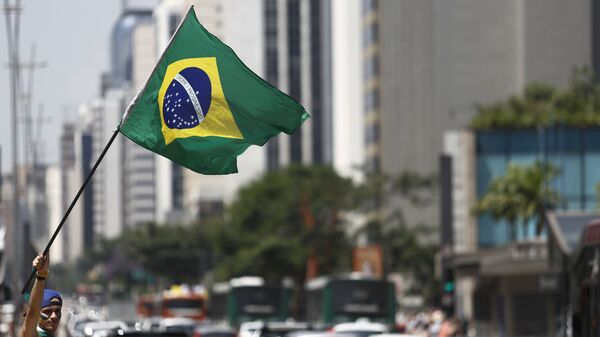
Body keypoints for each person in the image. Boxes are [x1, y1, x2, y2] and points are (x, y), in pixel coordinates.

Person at [20, 253, 62, 337]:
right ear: (37, 315)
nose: (54, 316)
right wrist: (41, 275)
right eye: (47, 311)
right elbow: (33, 312)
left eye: (57, 311)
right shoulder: (32, 334)